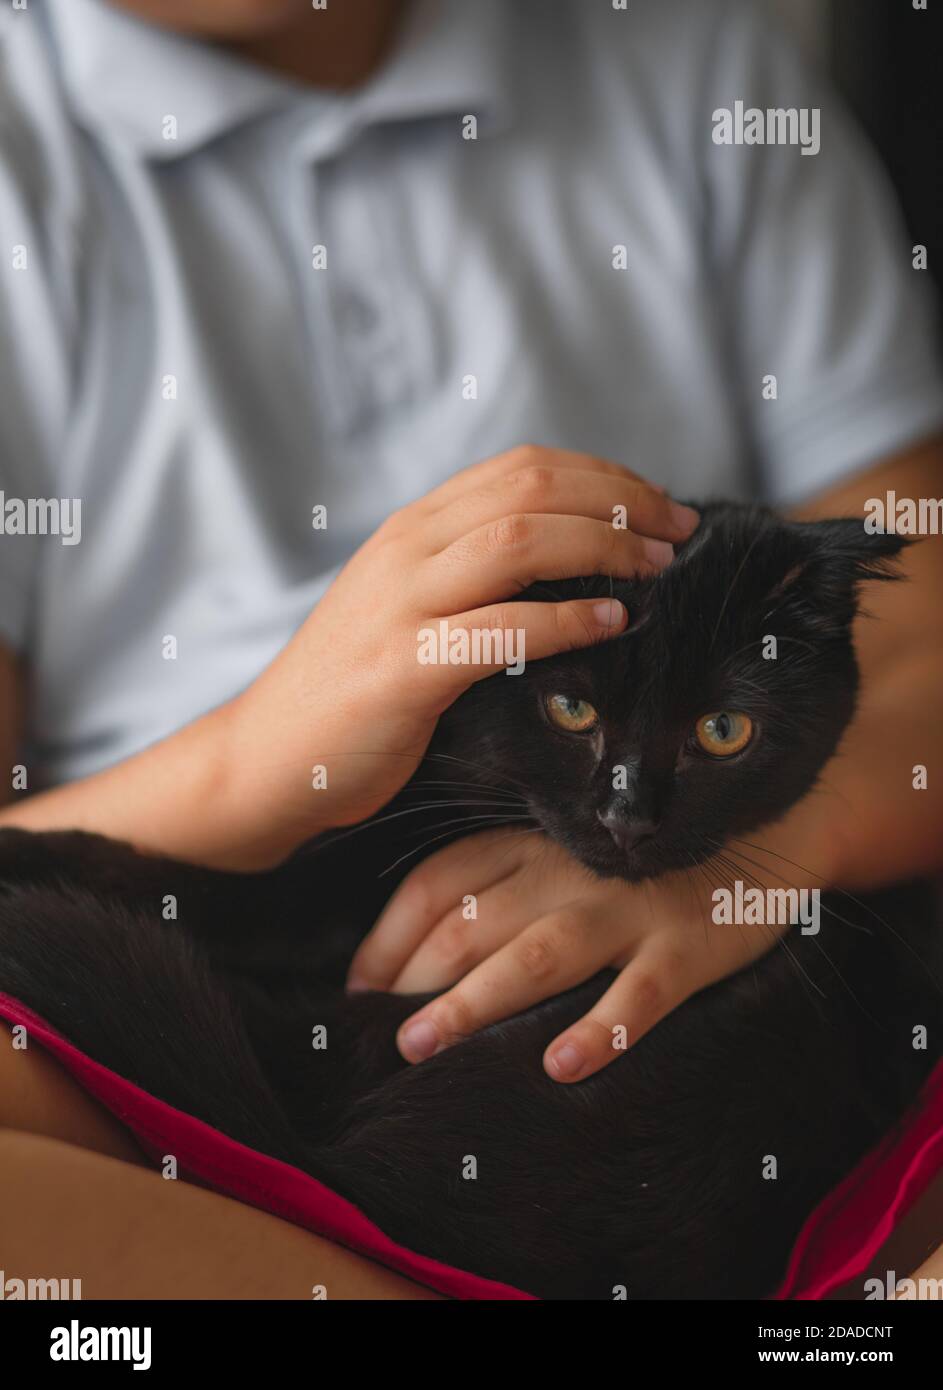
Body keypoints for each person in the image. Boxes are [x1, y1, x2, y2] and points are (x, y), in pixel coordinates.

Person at [1, 0, 941, 1297]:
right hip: (218, 965)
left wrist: (745, 872)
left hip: (723, 1045)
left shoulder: (694, 62)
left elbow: (920, 622)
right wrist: (256, 762)